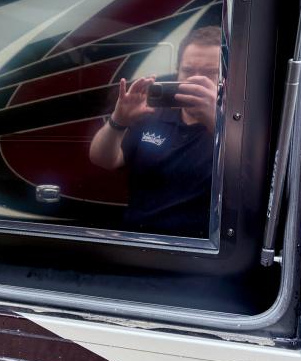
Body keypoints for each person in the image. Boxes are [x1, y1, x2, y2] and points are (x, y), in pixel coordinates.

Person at [88, 26, 221, 237]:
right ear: (178, 70)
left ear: (225, 77)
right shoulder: (152, 113)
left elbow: (247, 181)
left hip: (199, 248)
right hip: (139, 241)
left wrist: (216, 121)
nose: (195, 80)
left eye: (209, 73)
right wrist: (118, 121)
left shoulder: (237, 125)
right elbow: (104, 159)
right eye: (188, 71)